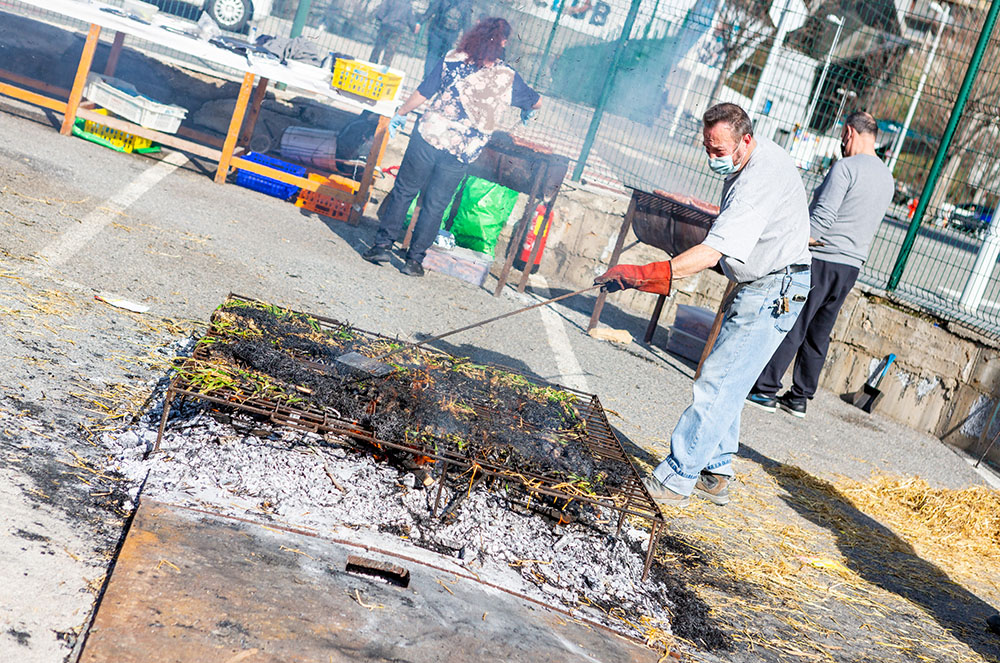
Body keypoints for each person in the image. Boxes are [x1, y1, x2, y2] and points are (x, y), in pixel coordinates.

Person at [594, 103, 812, 507]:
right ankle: (716, 469)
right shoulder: (755, 158)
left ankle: (677, 478)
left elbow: (711, 253)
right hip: (768, 281)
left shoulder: (755, 181)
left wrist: (645, 275)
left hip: (774, 288)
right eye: (708, 148)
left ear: (745, 140)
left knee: (718, 382)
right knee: (730, 377)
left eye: (719, 150)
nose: (713, 157)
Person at [362, 17, 542, 276]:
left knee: (404, 192)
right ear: (503, 43)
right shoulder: (507, 77)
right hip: (462, 150)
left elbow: (424, 91)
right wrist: (528, 108)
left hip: (428, 137)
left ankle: (381, 246)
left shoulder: (453, 58)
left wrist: (400, 112)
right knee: (436, 204)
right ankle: (414, 261)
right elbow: (537, 102)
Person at [746, 111, 894, 418]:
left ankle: (764, 389)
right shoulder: (886, 177)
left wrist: (799, 241)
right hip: (851, 266)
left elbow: (823, 217)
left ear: (850, 133)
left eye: (842, 137)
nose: (842, 143)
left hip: (822, 257)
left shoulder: (846, 167)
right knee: (819, 330)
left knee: (793, 320)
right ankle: (799, 397)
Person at [419, 0, 473, 79]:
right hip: (451, 34)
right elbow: (467, 23)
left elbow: (432, 9)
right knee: (443, 58)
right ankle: (434, 79)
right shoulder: (466, 4)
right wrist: (467, 39)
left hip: (436, 30)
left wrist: (420, 21)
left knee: (432, 55)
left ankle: (427, 77)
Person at [369, 0, 419, 67]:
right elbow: (410, 19)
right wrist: (414, 28)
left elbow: (381, 11)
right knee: (391, 50)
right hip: (398, 30)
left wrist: (381, 18)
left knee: (378, 47)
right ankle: (385, 66)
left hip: (385, 26)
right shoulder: (408, 5)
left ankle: (372, 63)